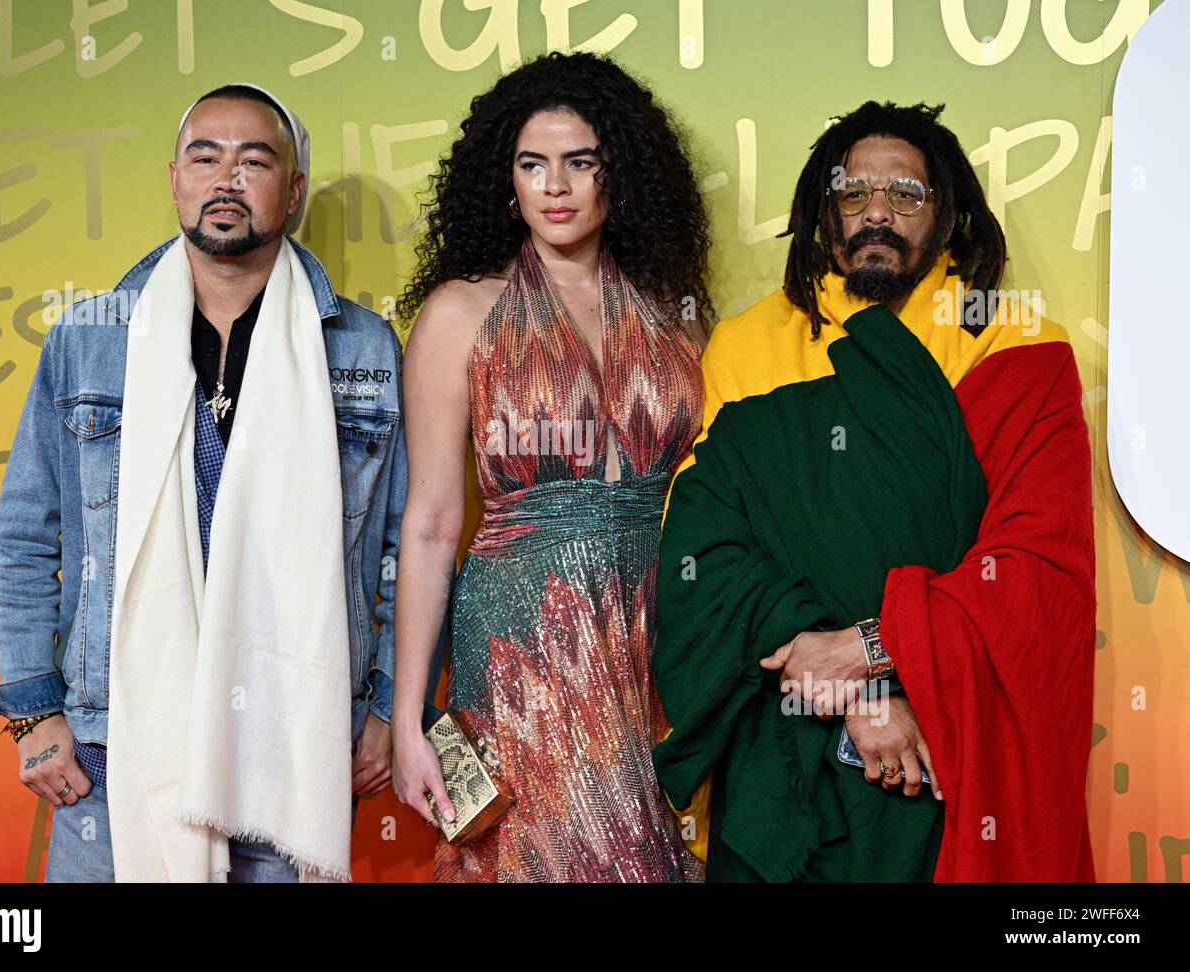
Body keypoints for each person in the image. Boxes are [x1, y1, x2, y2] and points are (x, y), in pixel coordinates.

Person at [0, 83, 421, 882]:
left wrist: (388, 707)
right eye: (203, 157)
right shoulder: (92, 337)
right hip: (114, 748)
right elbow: (22, 538)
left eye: (254, 161)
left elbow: (404, 547)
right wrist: (35, 713)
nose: (226, 179)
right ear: (174, 180)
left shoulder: (361, 348)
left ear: (292, 191)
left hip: (292, 743)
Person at [652, 100, 1096, 882]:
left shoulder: (1012, 344)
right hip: (779, 743)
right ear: (825, 216)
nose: (878, 214)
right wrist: (854, 691)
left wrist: (871, 651)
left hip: (940, 750)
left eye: (906, 196)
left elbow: (1035, 568)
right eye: (853, 193)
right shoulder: (750, 346)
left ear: (948, 214)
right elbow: (702, 553)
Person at [389, 51, 712, 882]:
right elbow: (428, 525)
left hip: (657, 630)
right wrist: (406, 720)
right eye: (533, 164)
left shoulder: (678, 317)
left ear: (619, 176)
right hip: (519, 642)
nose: (556, 185)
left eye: (580, 162)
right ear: (508, 181)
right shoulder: (461, 311)